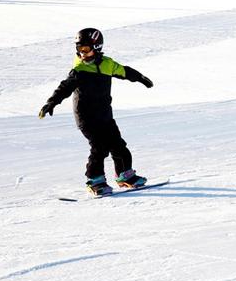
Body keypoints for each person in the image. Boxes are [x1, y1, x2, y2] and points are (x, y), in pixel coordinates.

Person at [38, 28, 154, 196]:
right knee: (99, 148)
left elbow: (125, 71)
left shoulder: (107, 64)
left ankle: (125, 176)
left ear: (97, 47)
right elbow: (64, 88)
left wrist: (141, 78)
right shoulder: (79, 71)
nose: (82, 53)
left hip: (105, 115)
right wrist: (51, 102)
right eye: (79, 50)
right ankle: (95, 180)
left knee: (119, 146)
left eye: (85, 49)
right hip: (86, 117)